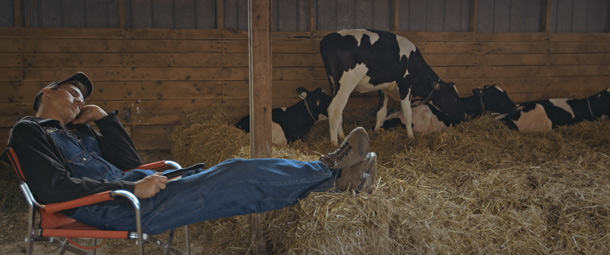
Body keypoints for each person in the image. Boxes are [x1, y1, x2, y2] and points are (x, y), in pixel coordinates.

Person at [5, 72, 377, 235]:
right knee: (235, 174)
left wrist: (104, 120)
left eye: (83, 99)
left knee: (237, 183)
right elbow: (53, 188)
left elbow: (130, 165)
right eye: (73, 94)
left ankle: (334, 180)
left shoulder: (79, 133)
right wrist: (133, 190)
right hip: (117, 207)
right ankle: (328, 168)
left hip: (133, 194)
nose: (79, 102)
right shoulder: (28, 131)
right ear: (47, 92)